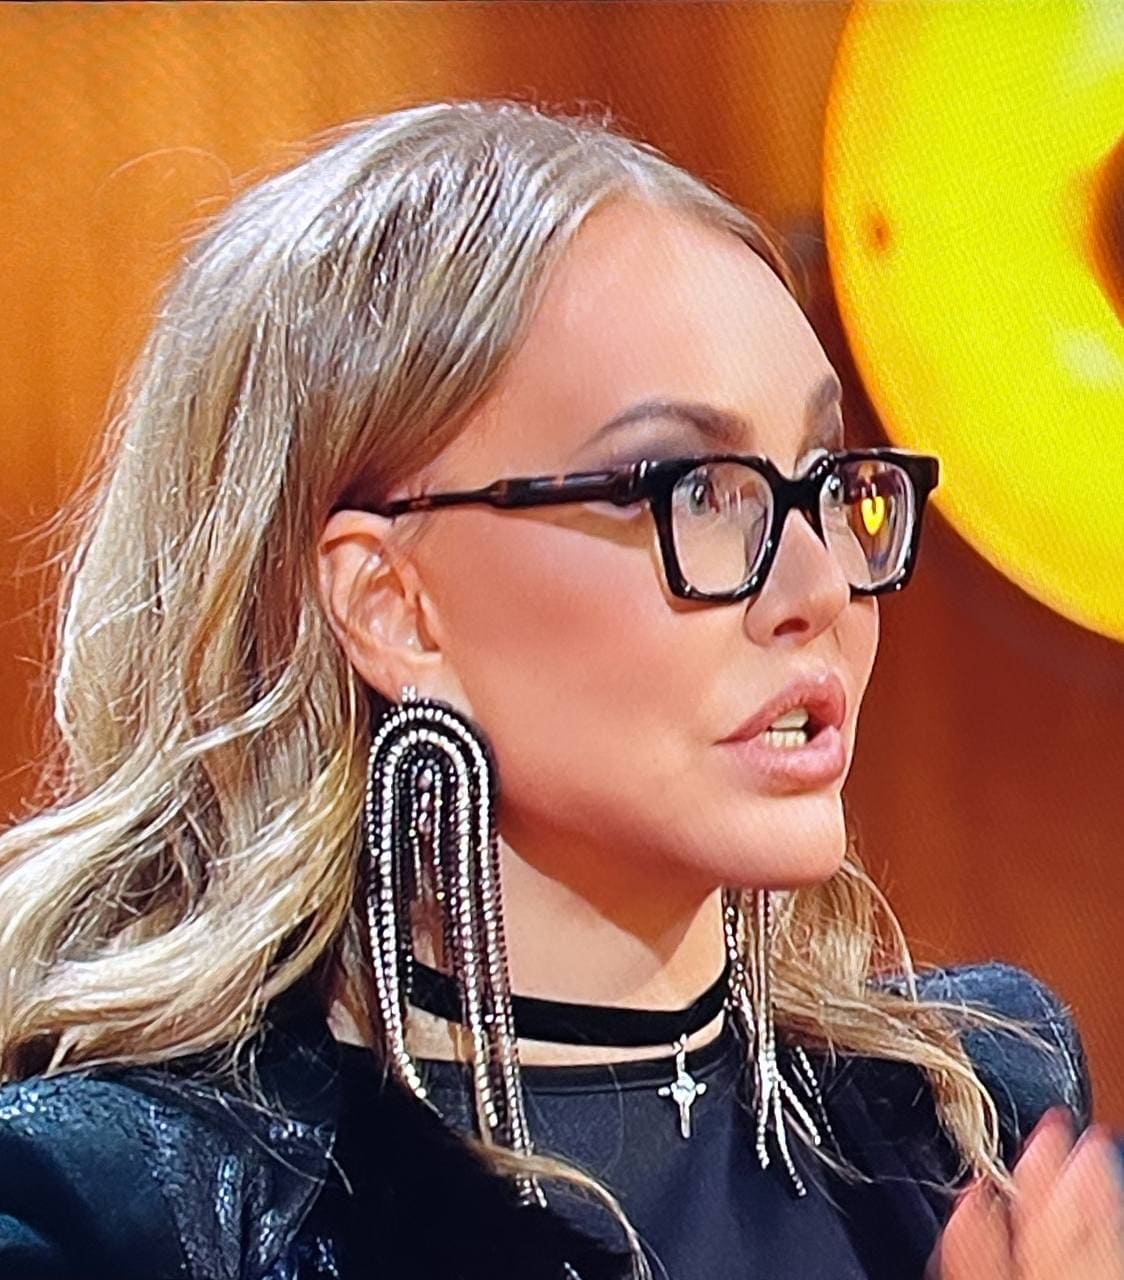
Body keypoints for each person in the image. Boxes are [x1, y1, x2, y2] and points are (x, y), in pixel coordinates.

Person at [0, 99, 1120, 1280]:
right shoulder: (118, 1217)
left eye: (824, 480)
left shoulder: (967, 1124)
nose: (818, 584)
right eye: (692, 486)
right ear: (391, 604)